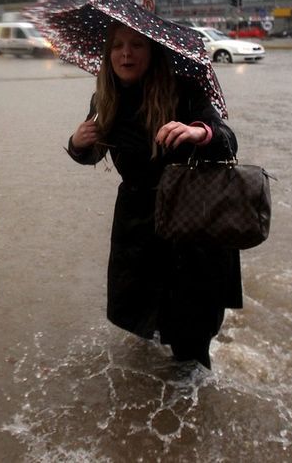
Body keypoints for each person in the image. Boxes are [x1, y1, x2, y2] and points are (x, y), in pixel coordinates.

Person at [66, 22, 242, 369]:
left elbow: (227, 141)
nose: (126, 54)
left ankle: (195, 409)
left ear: (153, 51)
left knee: (190, 340)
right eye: (117, 46)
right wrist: (77, 143)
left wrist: (197, 132)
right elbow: (91, 154)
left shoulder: (184, 90)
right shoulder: (105, 98)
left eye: (136, 46)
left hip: (190, 223)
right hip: (137, 224)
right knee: (145, 323)